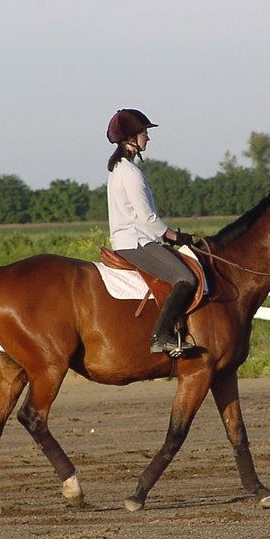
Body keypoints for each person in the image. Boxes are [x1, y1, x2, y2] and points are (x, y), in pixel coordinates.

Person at [106, 108, 197, 356]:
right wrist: (175, 236)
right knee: (186, 278)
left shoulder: (120, 169)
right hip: (136, 242)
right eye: (144, 133)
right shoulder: (130, 173)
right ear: (131, 138)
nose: (148, 137)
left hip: (132, 239)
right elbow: (147, 219)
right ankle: (161, 336)